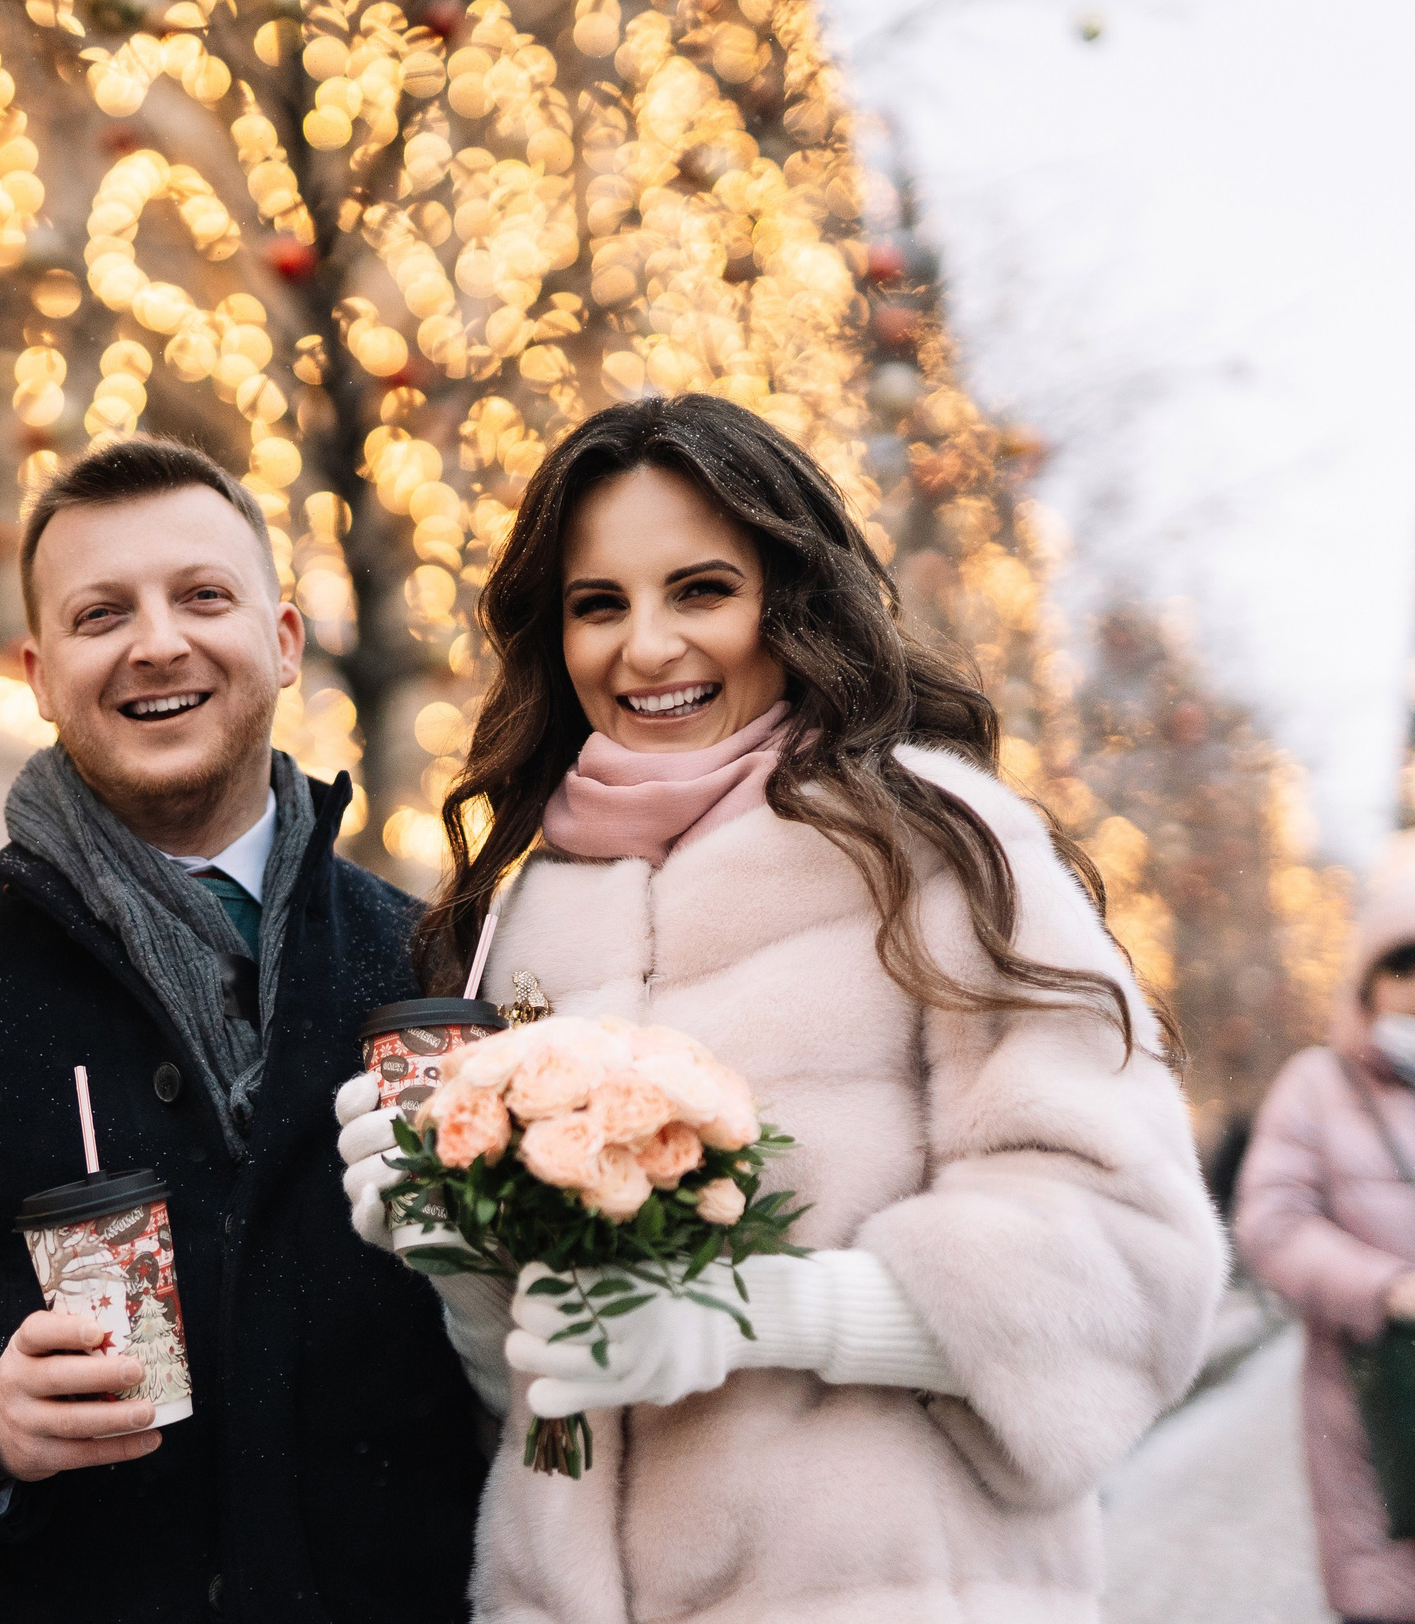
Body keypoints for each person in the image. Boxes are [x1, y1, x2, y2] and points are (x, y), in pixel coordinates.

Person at [336, 394, 1223, 1621]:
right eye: (600, 604)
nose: (645, 647)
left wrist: (754, 1307)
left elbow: (1126, 1264)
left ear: (789, 600)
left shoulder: (931, 844)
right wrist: (463, 1257)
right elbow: (534, 1385)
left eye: (699, 589)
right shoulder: (519, 904)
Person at [0, 438, 486, 1623]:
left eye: (201, 596)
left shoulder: (432, 959)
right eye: (100, 612)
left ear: (280, 639)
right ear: (39, 669)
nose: (156, 641)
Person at [1236, 876, 1415, 1623]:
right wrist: (1386, 1288)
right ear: (1367, 985)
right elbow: (1270, 1223)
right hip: (1378, 1392)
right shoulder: (1316, 1084)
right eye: (1402, 968)